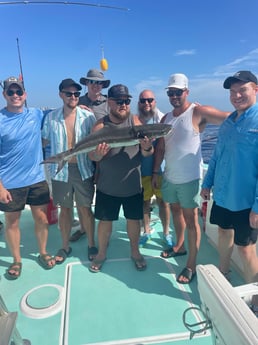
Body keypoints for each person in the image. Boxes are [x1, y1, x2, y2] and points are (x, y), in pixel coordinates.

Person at [153, 73, 229, 284]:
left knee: (191, 219)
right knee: (175, 210)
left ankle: (191, 265)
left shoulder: (197, 112)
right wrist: (155, 172)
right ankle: (179, 245)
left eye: (178, 92)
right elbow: (160, 147)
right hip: (169, 177)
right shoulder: (165, 118)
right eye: (171, 92)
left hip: (190, 179)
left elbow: (228, 117)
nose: (175, 96)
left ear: (186, 92)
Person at [201, 70, 258, 315]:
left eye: (242, 90)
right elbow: (216, 156)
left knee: (246, 248)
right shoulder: (228, 121)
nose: (236, 95)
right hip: (223, 195)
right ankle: (223, 273)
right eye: (232, 91)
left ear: (255, 89)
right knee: (224, 232)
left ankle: (255, 299)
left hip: (246, 201)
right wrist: (207, 182)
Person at [88, 84, 153, 273]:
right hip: (107, 186)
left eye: (126, 101)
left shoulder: (136, 122)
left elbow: (148, 154)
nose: (123, 105)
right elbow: (91, 155)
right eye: (119, 101)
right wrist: (98, 155)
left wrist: (147, 147)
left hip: (132, 185)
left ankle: (135, 252)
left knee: (133, 221)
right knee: (105, 222)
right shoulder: (100, 125)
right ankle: (101, 253)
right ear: (109, 102)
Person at [0, 76, 55, 279]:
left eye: (19, 92)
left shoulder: (36, 114)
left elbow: (59, 114)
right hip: (10, 183)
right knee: (12, 222)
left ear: (25, 95)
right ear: (4, 94)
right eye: (11, 92)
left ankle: (42, 251)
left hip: (37, 178)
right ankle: (17, 260)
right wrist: (0, 187)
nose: (15, 95)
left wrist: (83, 108)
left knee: (41, 218)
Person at [42, 78, 98, 263]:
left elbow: (98, 142)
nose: (73, 97)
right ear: (61, 95)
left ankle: (91, 243)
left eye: (76, 94)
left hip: (83, 169)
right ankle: (65, 246)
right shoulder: (50, 117)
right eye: (69, 93)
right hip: (60, 171)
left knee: (85, 209)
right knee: (64, 211)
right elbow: (41, 142)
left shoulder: (89, 117)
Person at [69, 68, 111, 242]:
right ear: (86, 83)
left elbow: (124, 118)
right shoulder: (76, 100)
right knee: (82, 197)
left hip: (106, 155)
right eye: (92, 82)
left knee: (105, 194)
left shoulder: (110, 103)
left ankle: (104, 231)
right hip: (83, 156)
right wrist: (76, 107)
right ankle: (84, 228)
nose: (96, 85)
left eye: (99, 82)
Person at [137, 89, 173, 248]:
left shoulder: (163, 119)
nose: (147, 103)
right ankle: (146, 230)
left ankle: (166, 233)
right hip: (142, 170)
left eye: (150, 100)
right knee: (144, 202)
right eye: (143, 100)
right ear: (138, 103)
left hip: (161, 170)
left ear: (155, 102)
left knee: (163, 203)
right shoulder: (136, 120)